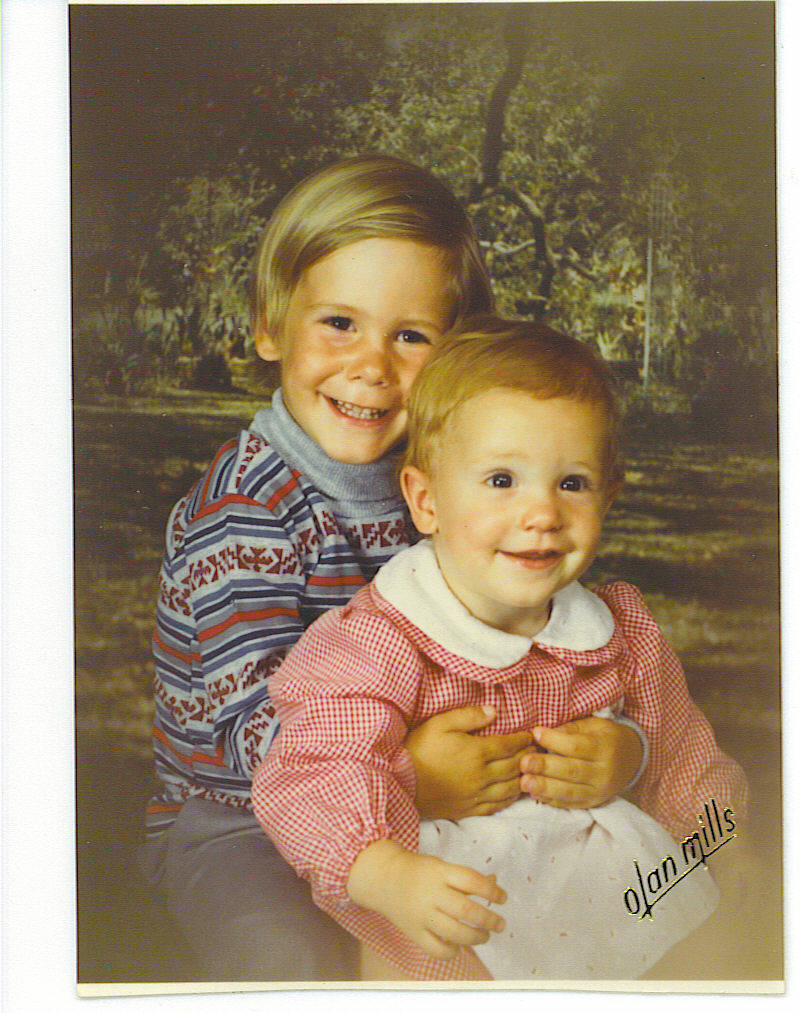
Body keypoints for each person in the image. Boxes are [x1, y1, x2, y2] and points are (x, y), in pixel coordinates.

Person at [139, 157, 646, 981]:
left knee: (553, 925)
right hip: (239, 820)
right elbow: (252, 738)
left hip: (426, 791)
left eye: (410, 335)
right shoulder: (242, 513)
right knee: (289, 963)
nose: (372, 364)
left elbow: (531, 643)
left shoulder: (445, 489)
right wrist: (410, 774)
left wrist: (620, 745)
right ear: (269, 325)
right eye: (339, 322)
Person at [251, 316, 750, 982]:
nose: (541, 513)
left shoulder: (620, 634)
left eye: (571, 483)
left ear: (609, 497)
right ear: (426, 500)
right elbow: (312, 770)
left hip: (602, 895)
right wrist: (386, 874)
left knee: (708, 949)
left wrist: (701, 822)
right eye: (500, 480)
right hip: (445, 902)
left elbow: (685, 754)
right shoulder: (378, 640)